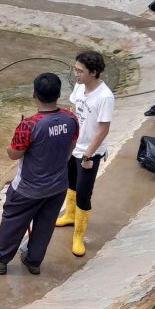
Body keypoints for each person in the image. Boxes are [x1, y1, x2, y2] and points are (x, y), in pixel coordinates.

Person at [0, 73, 79, 276]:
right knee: (45, 225)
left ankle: (0, 260)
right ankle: (33, 261)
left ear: (34, 95)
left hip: (27, 188)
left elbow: (13, 154)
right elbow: (71, 146)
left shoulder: (29, 125)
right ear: (58, 94)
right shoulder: (71, 119)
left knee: (13, 222)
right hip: (58, 185)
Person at [55, 51, 115, 257]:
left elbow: (103, 130)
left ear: (94, 72)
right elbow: (73, 109)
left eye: (80, 71)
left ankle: (79, 235)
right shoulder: (80, 87)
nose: (76, 74)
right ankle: (70, 216)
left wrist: (88, 156)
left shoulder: (105, 97)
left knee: (84, 193)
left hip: (89, 153)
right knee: (71, 184)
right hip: (74, 147)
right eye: (75, 69)